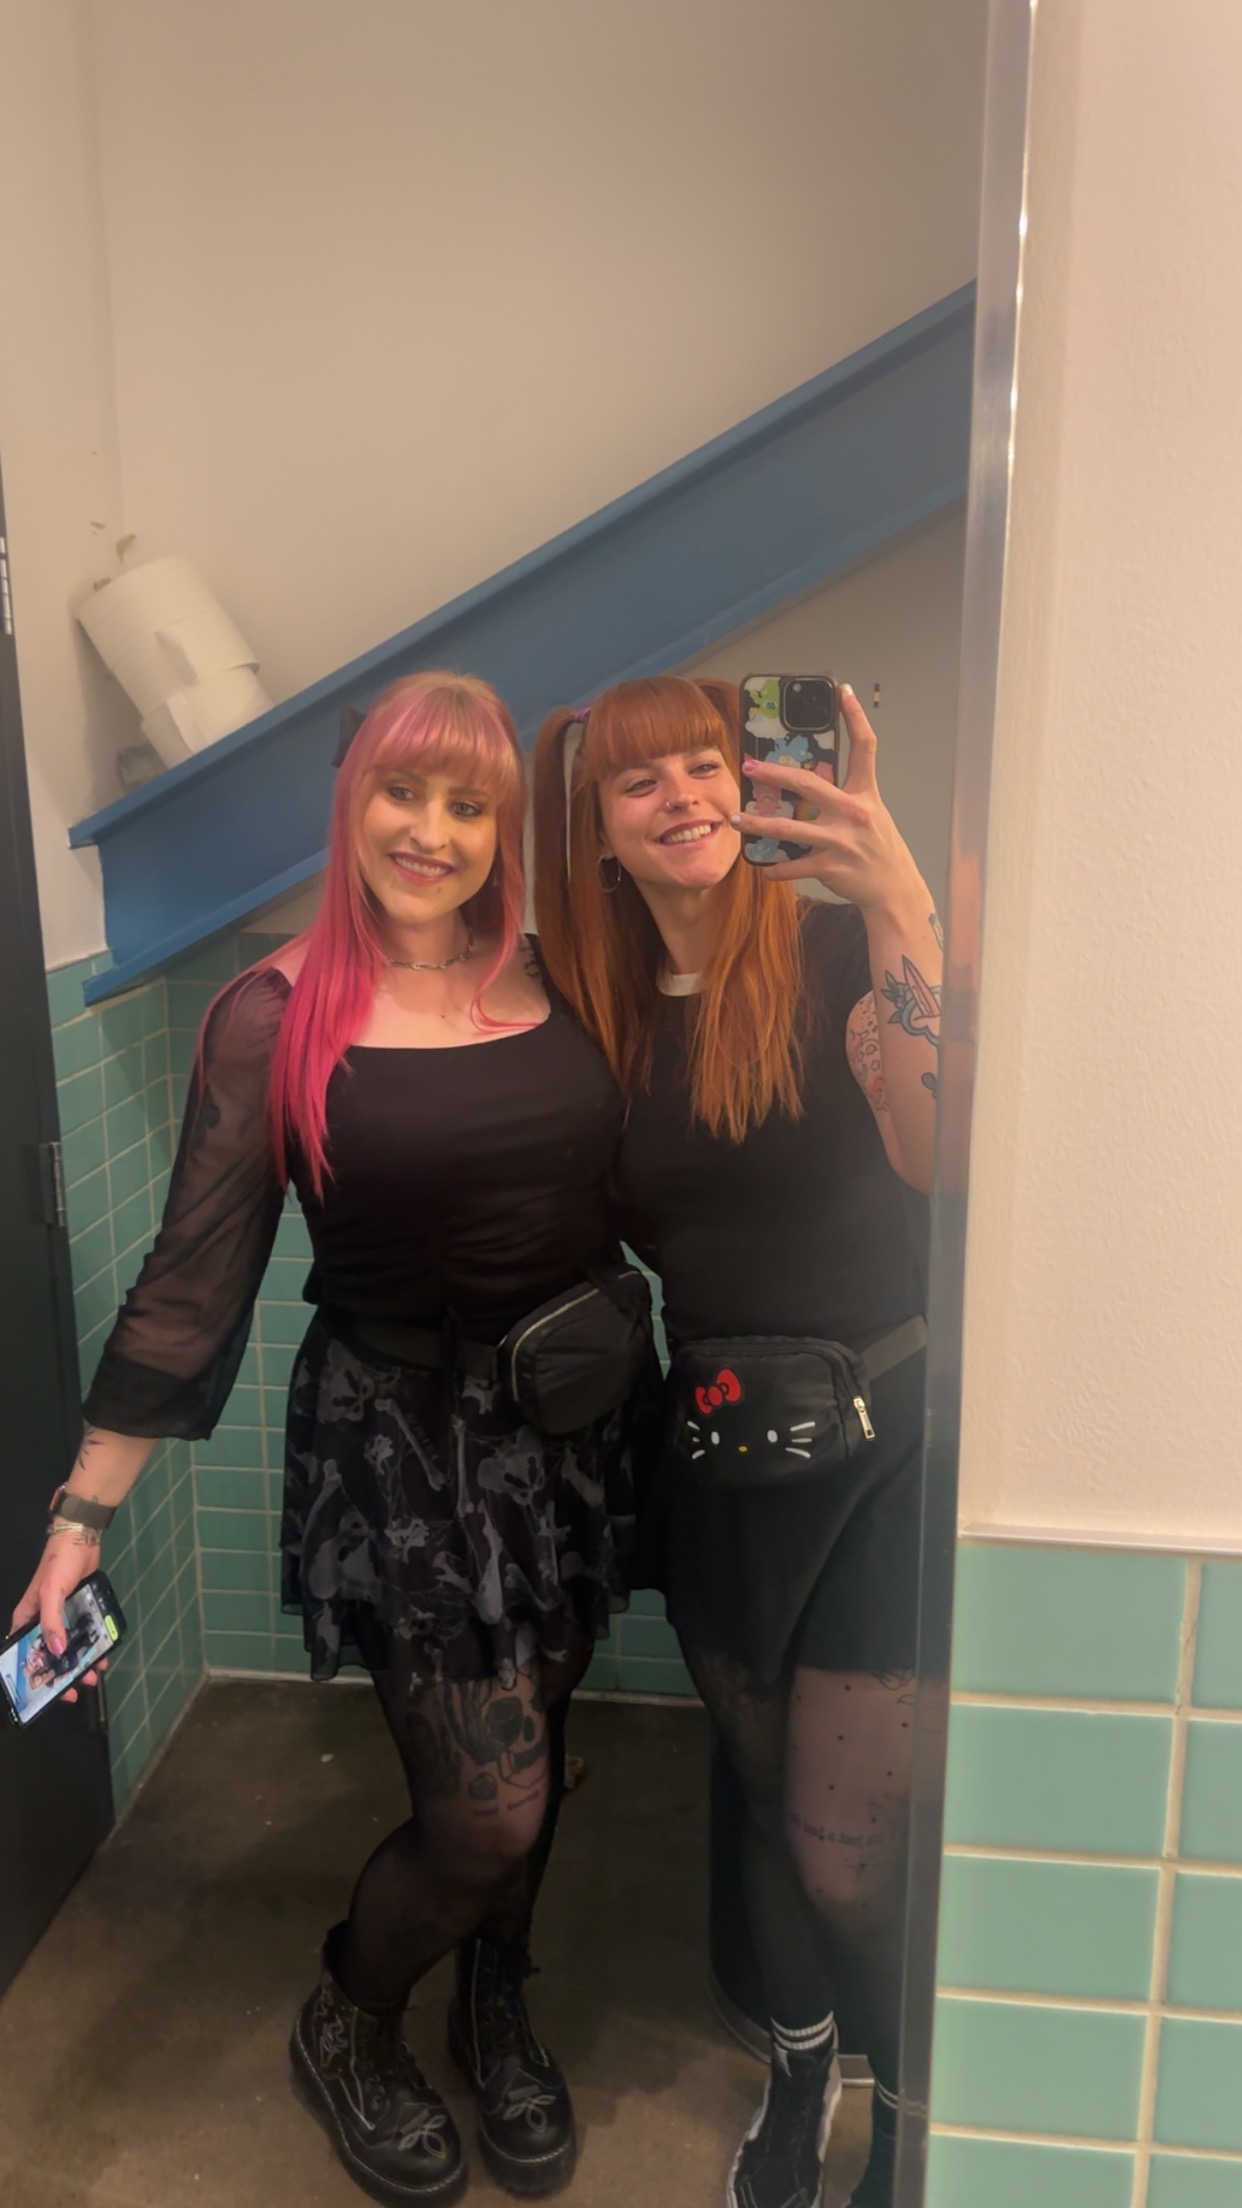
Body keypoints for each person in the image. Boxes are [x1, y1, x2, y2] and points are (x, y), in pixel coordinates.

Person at [11, 671, 654, 2208]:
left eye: (466, 804)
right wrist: (79, 1519)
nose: (429, 831)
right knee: (484, 1807)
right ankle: (350, 2016)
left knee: (539, 1736)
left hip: (568, 1433)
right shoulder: (273, 1015)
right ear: (351, 802)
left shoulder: (558, 975)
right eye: (400, 792)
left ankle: (494, 1996)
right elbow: (193, 1279)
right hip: (405, 1452)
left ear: (502, 829)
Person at [533, 674, 940, 2208]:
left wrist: (893, 886)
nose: (683, 796)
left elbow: (940, 1152)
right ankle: (798, 2069)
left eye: (705, 763)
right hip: (713, 1449)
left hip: (882, 1445)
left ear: (749, 779)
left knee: (846, 1843)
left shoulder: (839, 948)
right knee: (762, 1801)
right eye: (639, 781)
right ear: (597, 829)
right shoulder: (593, 1002)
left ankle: (908, 2108)